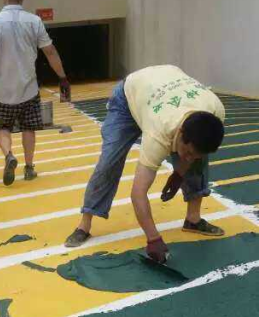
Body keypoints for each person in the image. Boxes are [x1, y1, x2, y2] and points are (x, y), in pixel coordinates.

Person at [65, 65, 226, 263]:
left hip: (163, 86)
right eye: (188, 152)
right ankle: (85, 224)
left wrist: (179, 174)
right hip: (129, 97)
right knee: (109, 161)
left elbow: (194, 154)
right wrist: (153, 239)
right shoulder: (158, 133)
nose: (189, 158)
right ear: (180, 134)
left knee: (198, 159)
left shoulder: (215, 112)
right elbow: (138, 193)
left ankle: (193, 219)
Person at [0, 0, 71, 186]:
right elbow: (50, 51)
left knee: (0, 126)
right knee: (29, 128)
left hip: (0, 91)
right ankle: (29, 168)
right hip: (28, 89)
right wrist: (62, 77)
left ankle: (9, 155)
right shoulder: (34, 21)